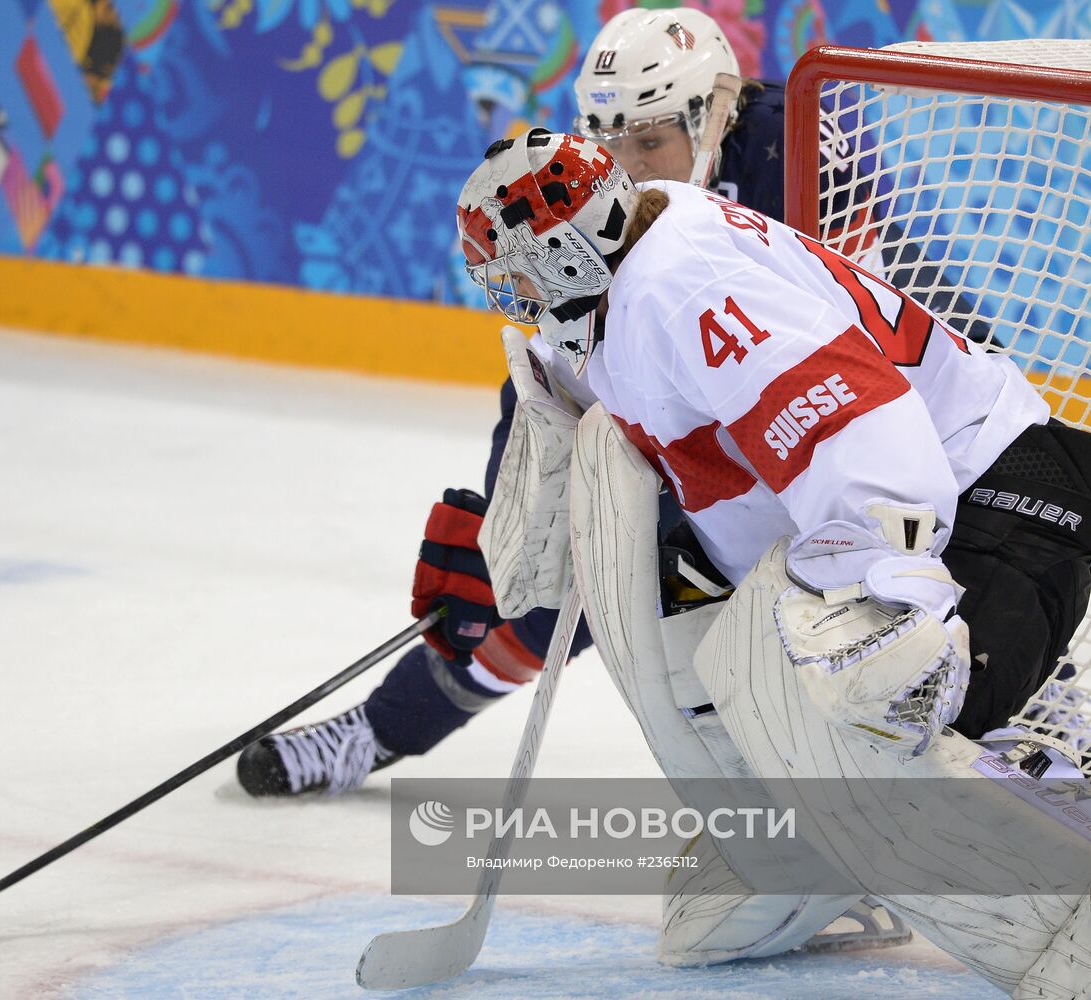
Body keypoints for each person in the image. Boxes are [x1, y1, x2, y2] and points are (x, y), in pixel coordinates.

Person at [450, 127, 1091, 995]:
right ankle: (824, 863)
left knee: (892, 727)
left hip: (995, 493)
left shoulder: (687, 288)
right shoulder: (632, 270)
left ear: (566, 251)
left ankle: (1050, 782)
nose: (513, 293)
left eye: (519, 270)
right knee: (818, 751)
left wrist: (899, 603)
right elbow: (607, 386)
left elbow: (855, 430)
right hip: (941, 500)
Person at [223, 7, 891, 802]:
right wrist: (505, 531)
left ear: (711, 115)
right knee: (558, 583)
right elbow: (547, 366)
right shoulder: (594, 192)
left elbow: (850, 346)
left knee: (779, 623)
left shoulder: (798, 150)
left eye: (648, 142)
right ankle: (375, 731)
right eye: (609, 142)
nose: (628, 168)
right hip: (714, 422)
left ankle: (840, 817)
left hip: (850, 430)